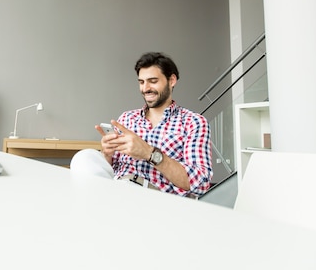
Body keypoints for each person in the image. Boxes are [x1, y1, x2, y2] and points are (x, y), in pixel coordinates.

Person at [70, 52, 213, 198]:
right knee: (84, 157)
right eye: (141, 82)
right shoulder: (127, 118)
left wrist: (148, 153)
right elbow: (111, 169)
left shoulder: (193, 122)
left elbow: (200, 184)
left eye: (153, 81)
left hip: (157, 200)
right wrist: (108, 154)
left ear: (172, 80)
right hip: (118, 188)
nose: (145, 88)